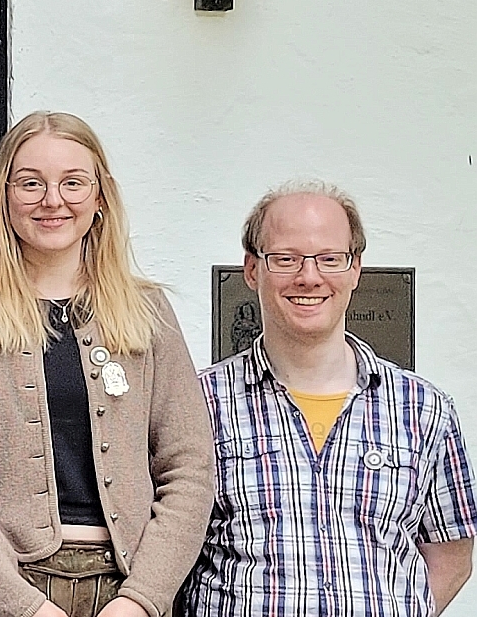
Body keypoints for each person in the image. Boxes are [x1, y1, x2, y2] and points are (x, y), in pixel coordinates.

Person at [0, 111, 214, 617]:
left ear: (100, 198)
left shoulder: (146, 311)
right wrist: (20, 603)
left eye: (73, 182)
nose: (53, 200)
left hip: (124, 586)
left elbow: (189, 468)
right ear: (3, 196)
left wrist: (141, 598)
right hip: (2, 589)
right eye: (31, 183)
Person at [181, 181, 477, 617]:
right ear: (252, 269)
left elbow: (452, 552)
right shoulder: (196, 403)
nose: (309, 277)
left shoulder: (424, 408)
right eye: (286, 258)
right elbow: (163, 546)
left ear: (355, 269)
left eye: (330, 259)